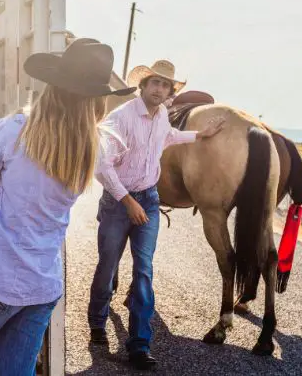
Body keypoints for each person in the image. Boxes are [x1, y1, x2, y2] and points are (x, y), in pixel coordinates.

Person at [0, 38, 136, 376]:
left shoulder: (14, 131)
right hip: (40, 285)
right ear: (97, 100)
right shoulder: (95, 148)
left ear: (53, 87)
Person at [87, 60, 225, 370]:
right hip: (117, 202)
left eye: (166, 85)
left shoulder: (162, 115)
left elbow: (169, 137)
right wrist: (127, 202)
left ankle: (139, 343)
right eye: (155, 83)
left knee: (144, 269)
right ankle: (97, 323)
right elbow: (102, 166)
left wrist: (201, 135)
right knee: (108, 265)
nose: (160, 89)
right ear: (143, 86)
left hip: (148, 200)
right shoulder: (120, 118)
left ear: (170, 91)